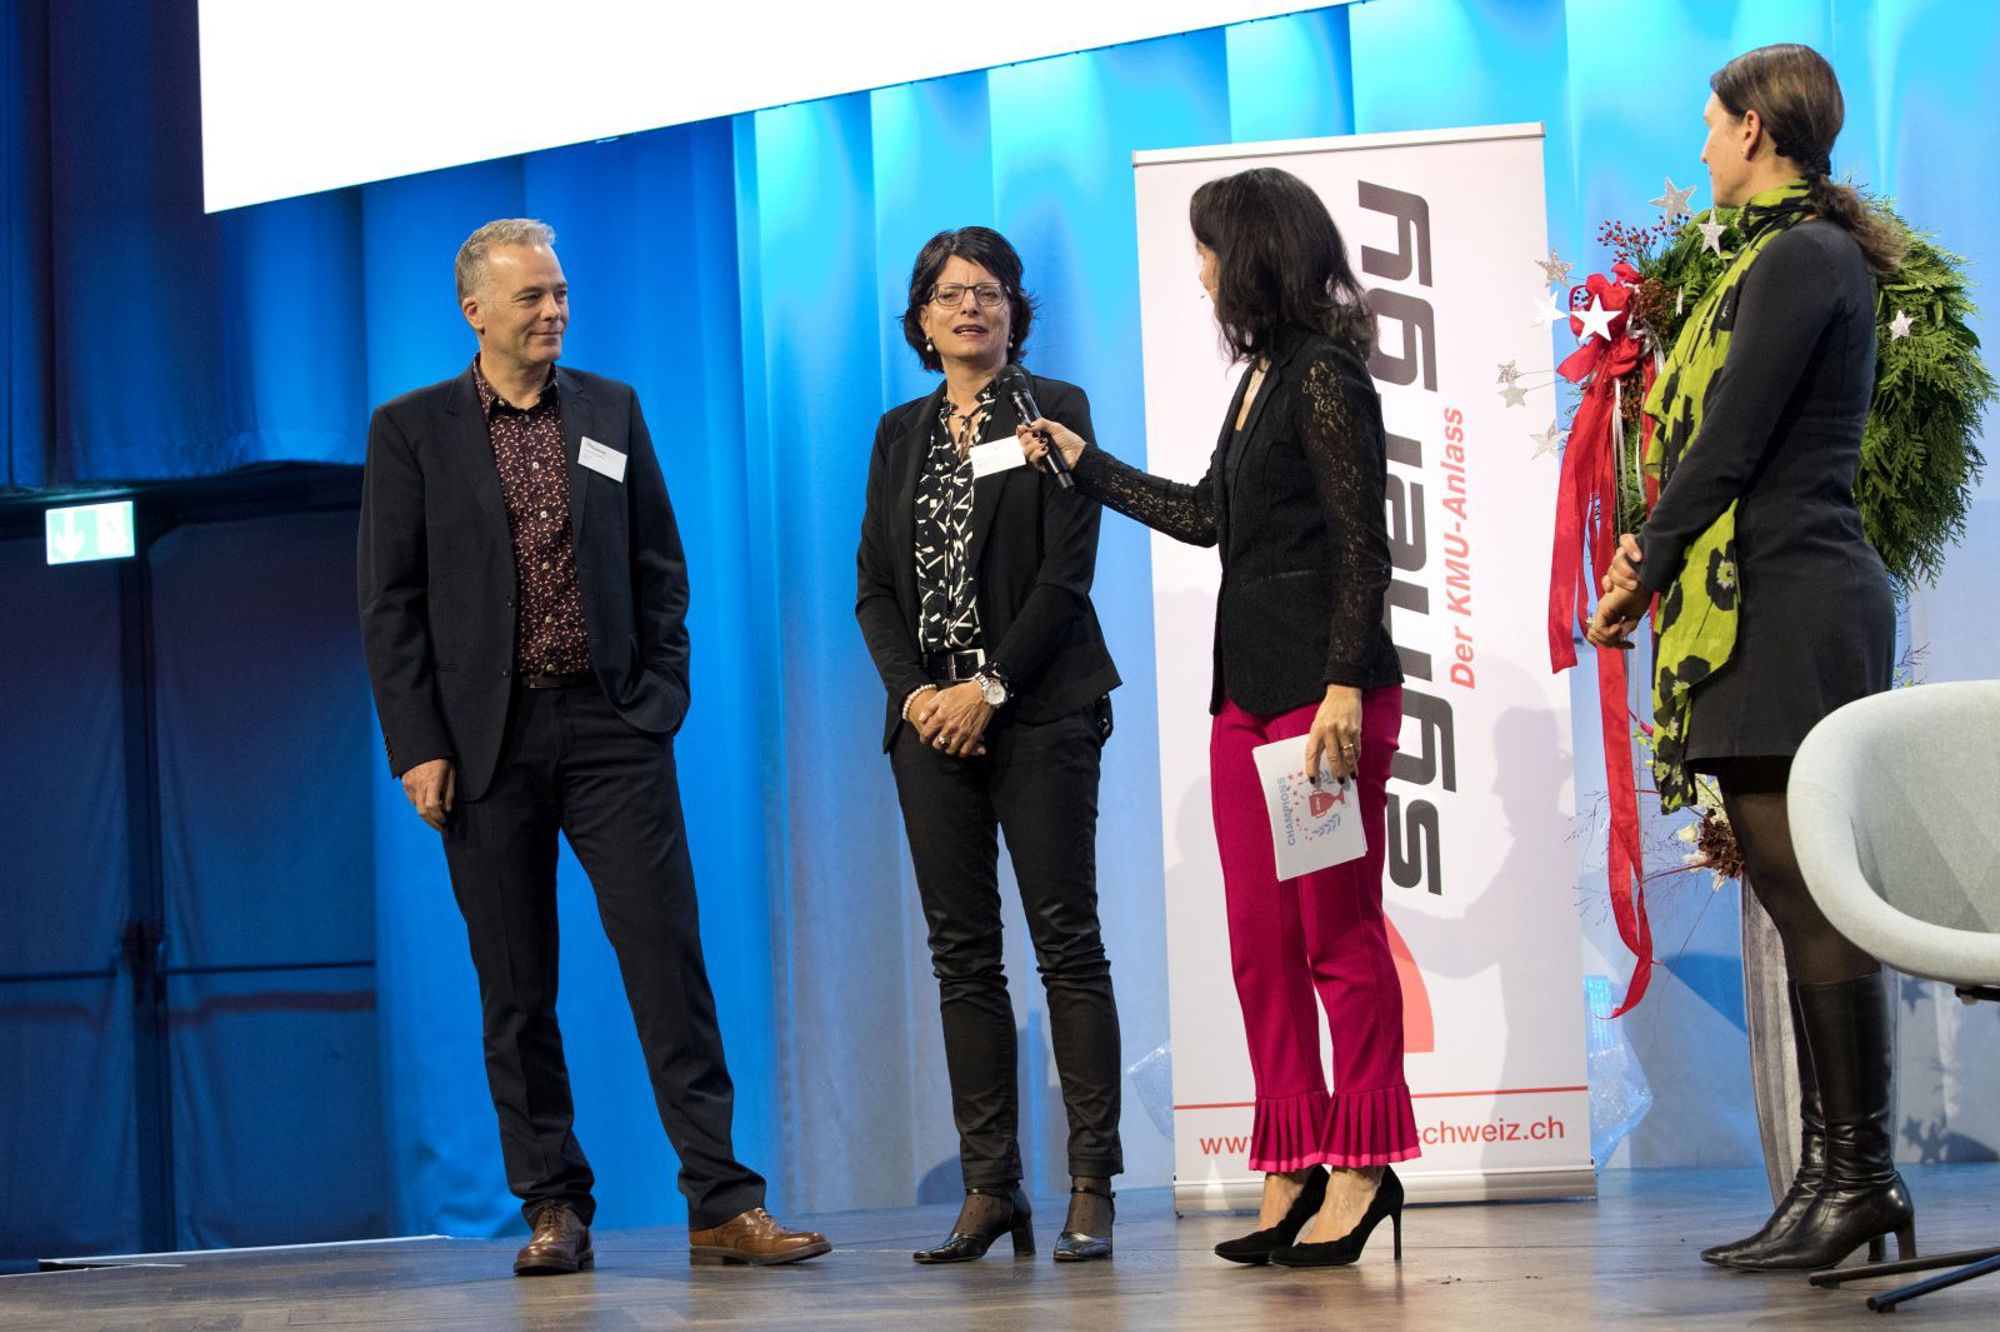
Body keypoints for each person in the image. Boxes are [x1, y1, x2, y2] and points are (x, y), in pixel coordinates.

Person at [358, 218, 829, 1274]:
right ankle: (553, 1207)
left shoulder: (609, 408)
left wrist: (659, 697)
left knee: (668, 964)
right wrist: (418, 744)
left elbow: (661, 566)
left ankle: (721, 1200)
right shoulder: (412, 430)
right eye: (531, 297)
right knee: (515, 987)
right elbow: (389, 605)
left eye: (560, 293)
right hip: (484, 745)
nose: (554, 312)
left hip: (615, 727)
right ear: (475, 311)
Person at [1019, 168, 1414, 1269]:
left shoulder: (1325, 375)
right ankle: (1291, 1159)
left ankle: (1364, 1163)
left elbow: (1364, 548)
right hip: (1244, 701)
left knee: (1336, 937)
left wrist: (1344, 685)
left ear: (1250, 254)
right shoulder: (1260, 378)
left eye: (1206, 250)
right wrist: (1086, 465)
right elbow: (1204, 516)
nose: (1198, 272)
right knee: (1260, 946)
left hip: (1319, 704)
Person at [1590, 44, 1912, 1271]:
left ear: (1754, 130)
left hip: (1790, 602)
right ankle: (1831, 1179)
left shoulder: (1801, 257)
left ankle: (1857, 1177)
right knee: (1788, 894)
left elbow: (1726, 443)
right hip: (1764, 602)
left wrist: (1640, 565)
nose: (1701, 145)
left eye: (1710, 123)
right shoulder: (1777, 257)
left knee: (1810, 897)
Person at [856, 227, 1125, 1264]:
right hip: (929, 723)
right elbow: (874, 587)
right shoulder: (898, 433)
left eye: (990, 292)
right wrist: (921, 695)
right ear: (921, 320)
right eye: (950, 293)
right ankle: (990, 1187)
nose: (971, 307)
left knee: (1066, 942)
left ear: (1015, 311)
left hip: (1040, 709)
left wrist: (990, 687)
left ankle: (1091, 1183)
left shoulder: (1055, 410)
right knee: (962, 957)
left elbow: (1066, 573)